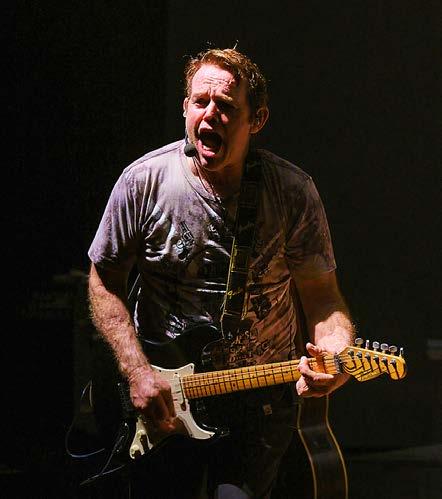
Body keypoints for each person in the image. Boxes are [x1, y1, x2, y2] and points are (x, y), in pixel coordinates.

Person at [87, 47, 355, 498]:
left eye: (226, 106)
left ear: (257, 119)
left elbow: (323, 298)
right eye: (200, 101)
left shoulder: (290, 192)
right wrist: (136, 371)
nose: (210, 114)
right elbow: (104, 281)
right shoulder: (143, 182)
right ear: (185, 108)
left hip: (258, 405)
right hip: (163, 400)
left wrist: (335, 353)